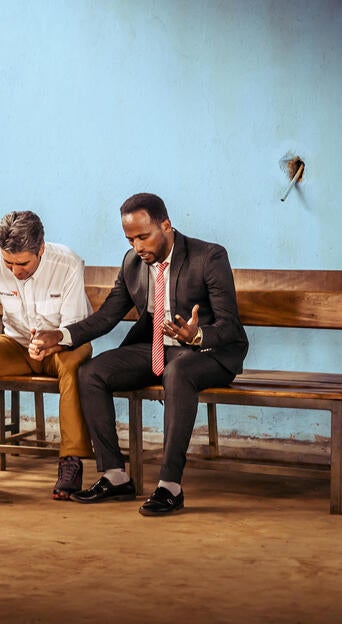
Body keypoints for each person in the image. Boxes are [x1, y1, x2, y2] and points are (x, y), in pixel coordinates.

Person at [31, 193, 248, 516]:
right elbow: (106, 316)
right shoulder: (133, 263)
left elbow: (230, 326)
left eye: (143, 236)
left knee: (179, 372)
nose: (137, 246)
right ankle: (115, 476)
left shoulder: (209, 256)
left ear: (166, 225)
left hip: (209, 353)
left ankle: (169, 486)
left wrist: (197, 334)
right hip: (158, 350)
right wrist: (61, 336)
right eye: (130, 239)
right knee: (91, 372)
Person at [0, 210, 95, 499]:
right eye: (9, 262)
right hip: (15, 345)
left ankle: (71, 461)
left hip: (62, 345)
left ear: (40, 248)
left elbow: (73, 327)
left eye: (23, 263)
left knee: (76, 362)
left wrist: (49, 342)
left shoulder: (67, 263)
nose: (15, 271)